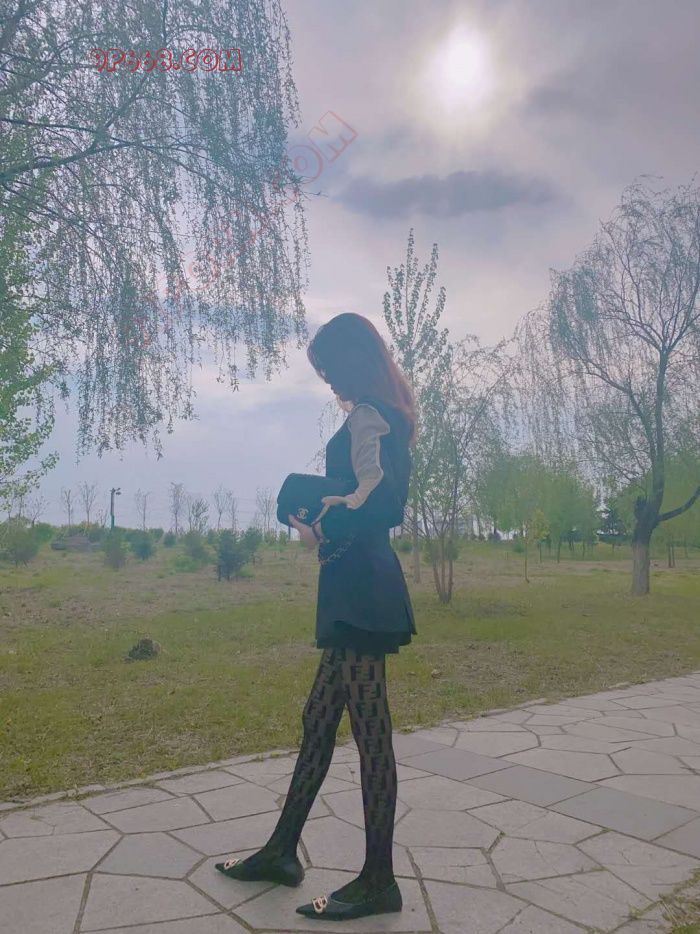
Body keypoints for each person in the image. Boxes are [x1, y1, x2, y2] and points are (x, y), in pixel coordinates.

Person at [215, 312, 417, 921]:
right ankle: (282, 852)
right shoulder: (376, 414)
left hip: (362, 590)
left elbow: (385, 502)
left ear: (352, 360)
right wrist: (316, 510)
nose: (327, 378)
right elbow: (361, 492)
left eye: (329, 366)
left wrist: (320, 520)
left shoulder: (372, 415)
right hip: (353, 585)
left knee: (370, 732)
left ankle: (379, 880)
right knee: (318, 720)